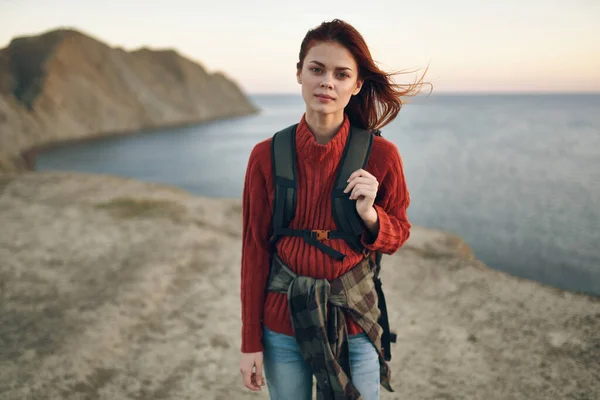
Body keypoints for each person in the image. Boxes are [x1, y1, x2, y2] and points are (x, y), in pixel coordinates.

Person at [239, 19, 429, 400]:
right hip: (282, 326)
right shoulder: (266, 156)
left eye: (341, 74)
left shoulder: (382, 156)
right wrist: (249, 343)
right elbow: (255, 250)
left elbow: (398, 236)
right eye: (316, 69)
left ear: (356, 85)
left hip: (355, 323)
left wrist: (371, 215)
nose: (327, 82)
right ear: (299, 74)